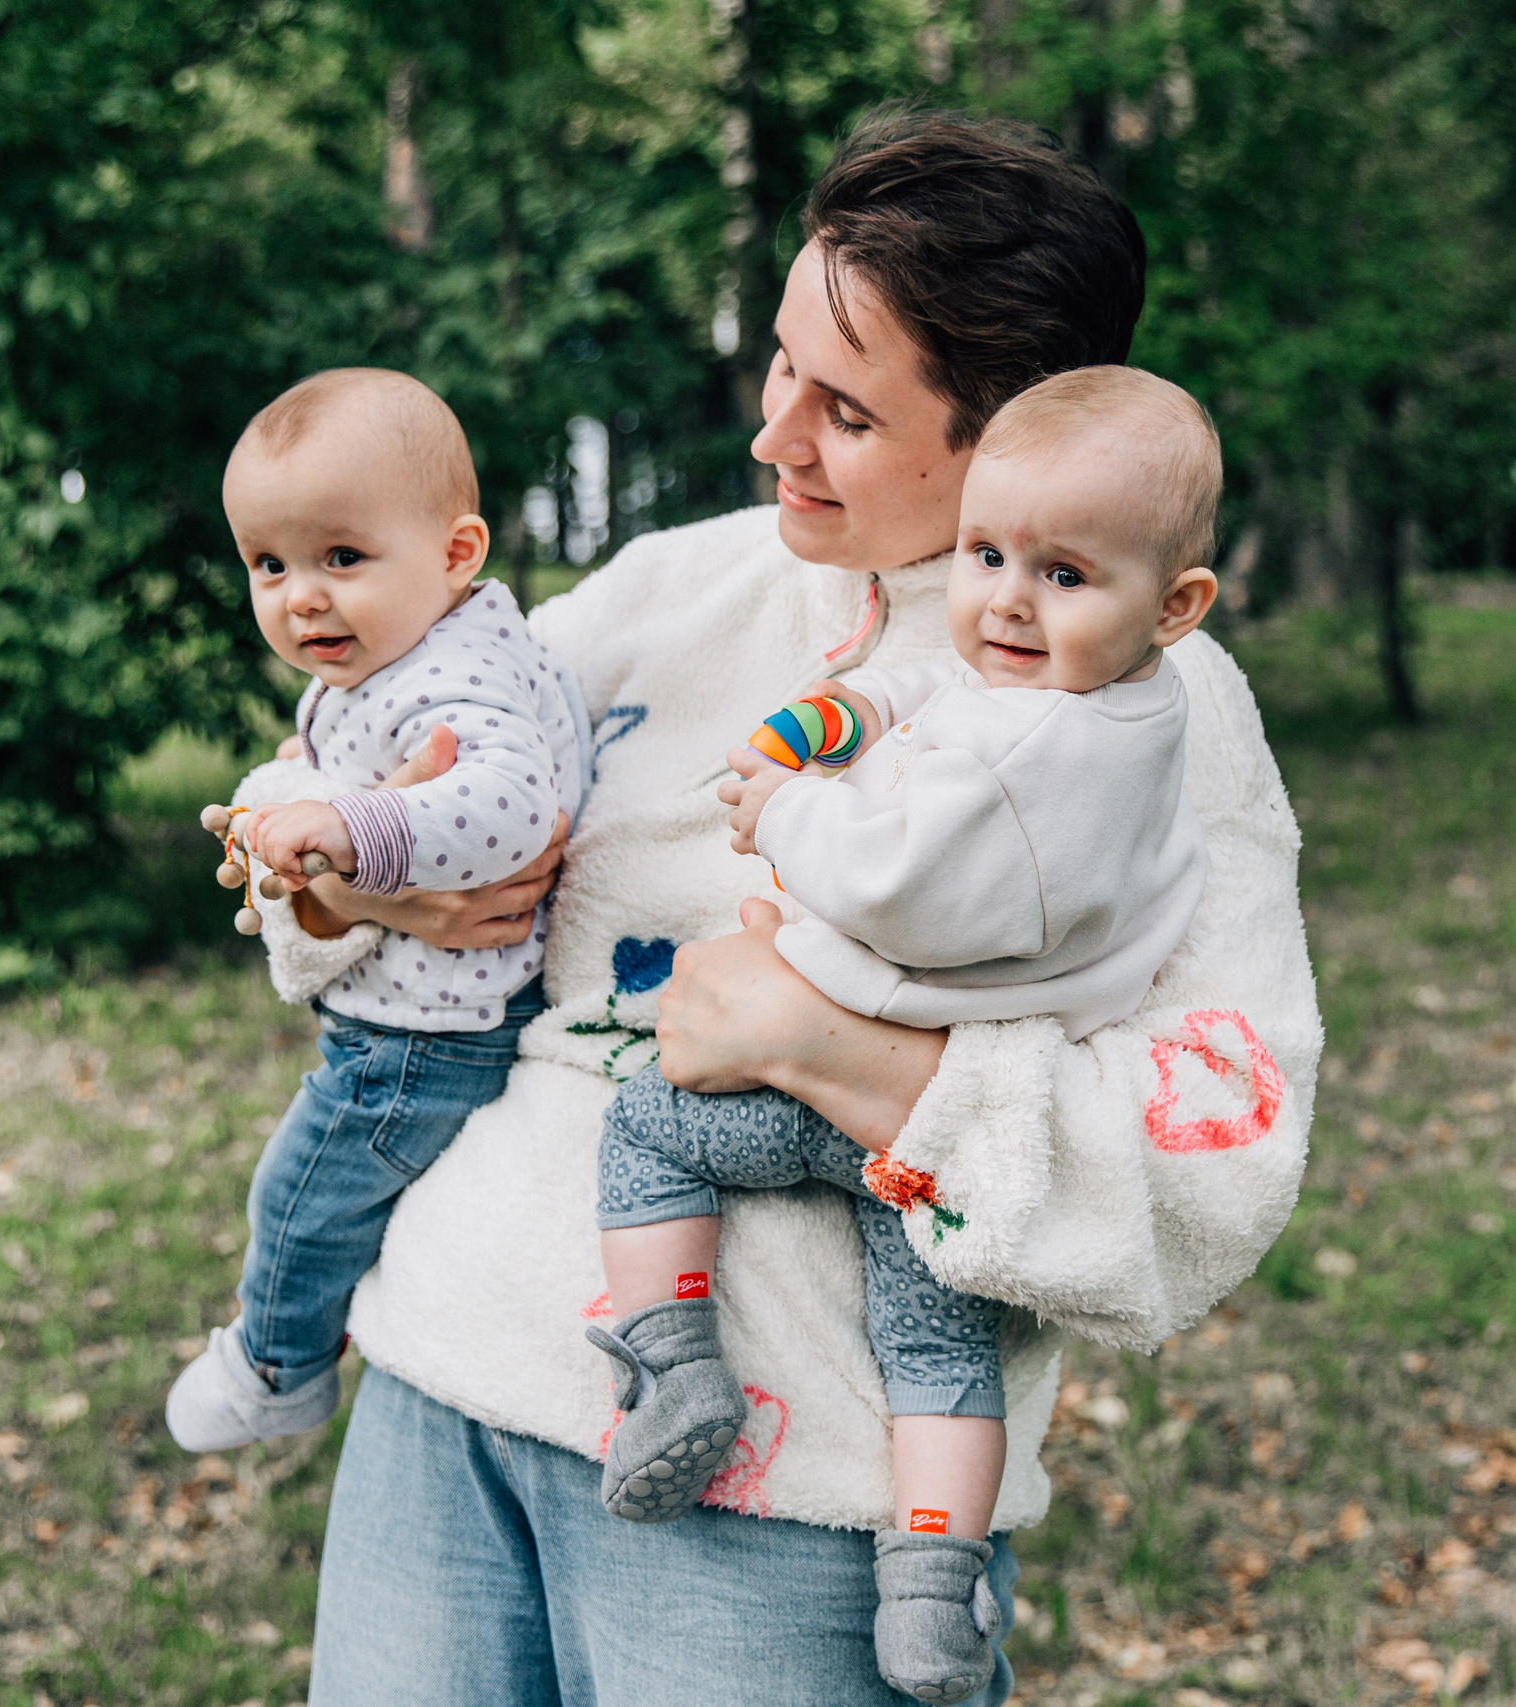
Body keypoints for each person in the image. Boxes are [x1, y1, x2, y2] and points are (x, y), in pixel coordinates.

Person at [229, 106, 1318, 1706]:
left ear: (1008, 430)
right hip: (444, 1375)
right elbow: (371, 819)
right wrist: (341, 894)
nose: (775, 435)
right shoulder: (677, 586)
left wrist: (845, 1056)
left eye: (849, 411)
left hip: (801, 1504)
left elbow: (1210, 1159)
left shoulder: (1153, 717)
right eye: (782, 366)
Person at [587, 366, 1222, 1703]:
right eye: (990, 555)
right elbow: (943, 689)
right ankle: (933, 1581)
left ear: (1176, 604)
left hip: (857, 1083)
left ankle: (674, 1358)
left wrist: (783, 809)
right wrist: (853, 710)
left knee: (649, 1124)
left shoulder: (1042, 762)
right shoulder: (1113, 703)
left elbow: (902, 883)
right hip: (932, 1150)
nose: (1001, 596)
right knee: (935, 1346)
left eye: (1058, 573)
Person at [167, 369, 589, 1452]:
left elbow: (506, 805)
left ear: (456, 554)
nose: (300, 595)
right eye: (269, 564)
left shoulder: (455, 677)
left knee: (301, 1193)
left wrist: (353, 834)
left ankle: (276, 1367)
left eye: (340, 558)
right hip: (413, 1012)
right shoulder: (409, 653)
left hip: (422, 1040)